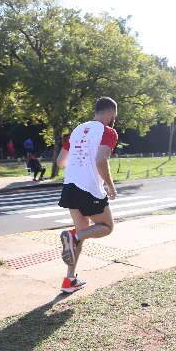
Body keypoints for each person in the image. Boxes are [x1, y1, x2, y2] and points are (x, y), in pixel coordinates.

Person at [56, 97, 118, 293]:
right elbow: (101, 161)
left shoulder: (76, 130)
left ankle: (69, 280)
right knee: (106, 227)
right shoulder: (107, 132)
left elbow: (60, 162)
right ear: (110, 112)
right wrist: (110, 186)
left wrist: (79, 163)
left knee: (81, 235)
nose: (113, 119)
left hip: (70, 187)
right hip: (89, 189)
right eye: (114, 116)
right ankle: (74, 235)